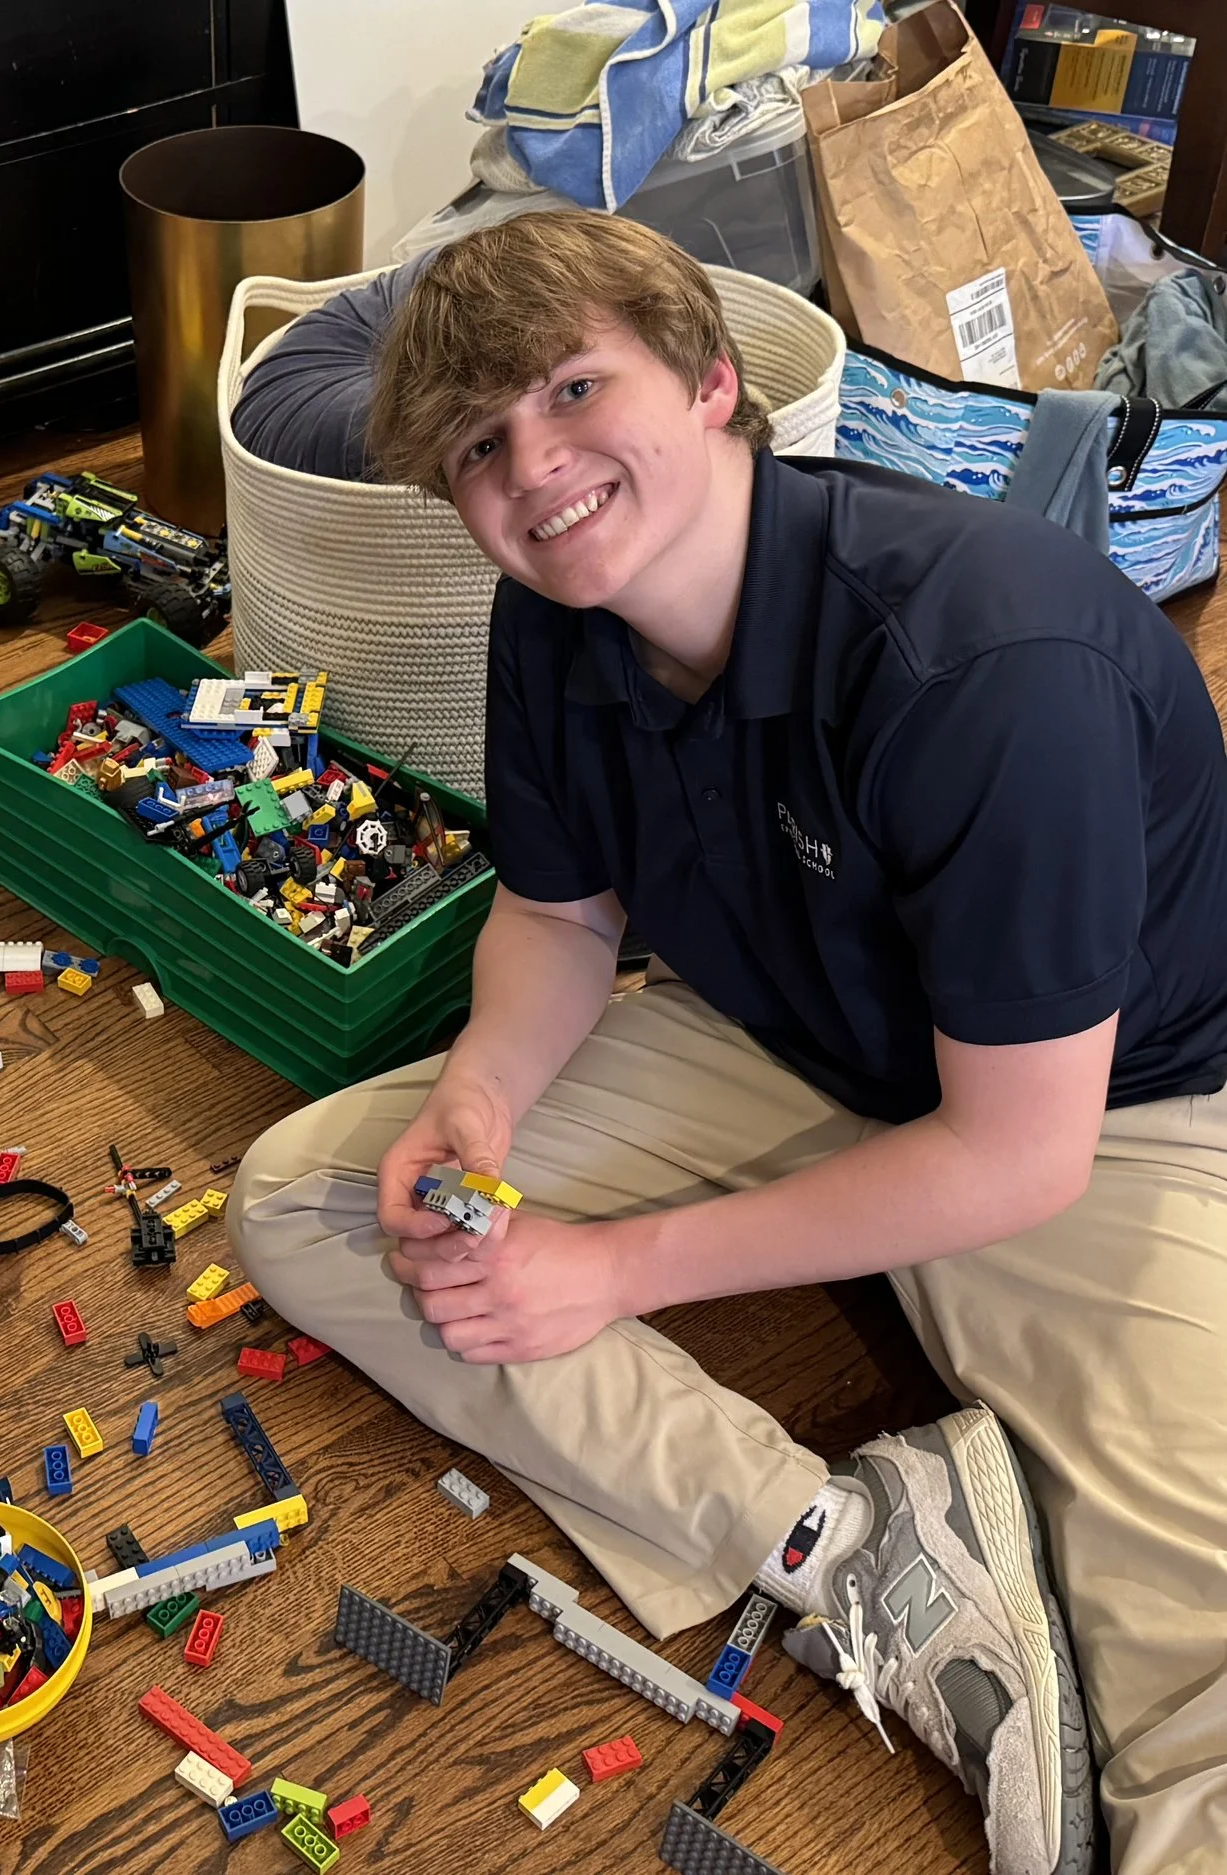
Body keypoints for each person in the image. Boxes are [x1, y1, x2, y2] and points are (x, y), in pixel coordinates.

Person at [227, 212, 1227, 1875]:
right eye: (478, 447)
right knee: (312, 1202)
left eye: (571, 390)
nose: (534, 469)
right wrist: (480, 1094)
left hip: (1100, 1115)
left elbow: (1018, 1150)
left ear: (709, 381)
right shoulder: (554, 617)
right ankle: (846, 1544)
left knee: (1200, 1693)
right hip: (790, 1030)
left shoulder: (987, 657)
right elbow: (560, 915)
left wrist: (614, 1268)